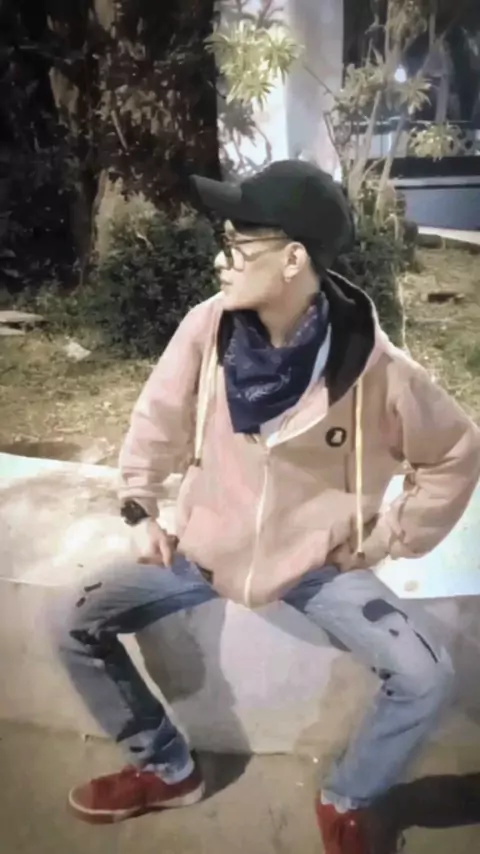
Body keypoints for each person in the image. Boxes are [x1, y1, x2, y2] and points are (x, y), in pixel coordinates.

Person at [54, 160, 480, 853]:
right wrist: (140, 509)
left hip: (316, 567)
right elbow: (157, 419)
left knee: (426, 675)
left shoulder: (374, 368)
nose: (220, 261)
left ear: (293, 260)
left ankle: (347, 798)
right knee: (71, 621)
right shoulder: (209, 329)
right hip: (201, 551)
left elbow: (456, 450)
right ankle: (166, 768)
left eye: (237, 246)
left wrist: (387, 539)